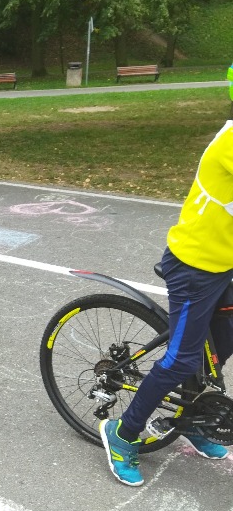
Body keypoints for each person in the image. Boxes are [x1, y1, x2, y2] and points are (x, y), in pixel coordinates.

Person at [101, 74, 233, 486]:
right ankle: (123, 433)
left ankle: (191, 416)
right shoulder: (230, 143)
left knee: (220, 347)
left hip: (224, 265)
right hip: (195, 267)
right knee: (183, 359)